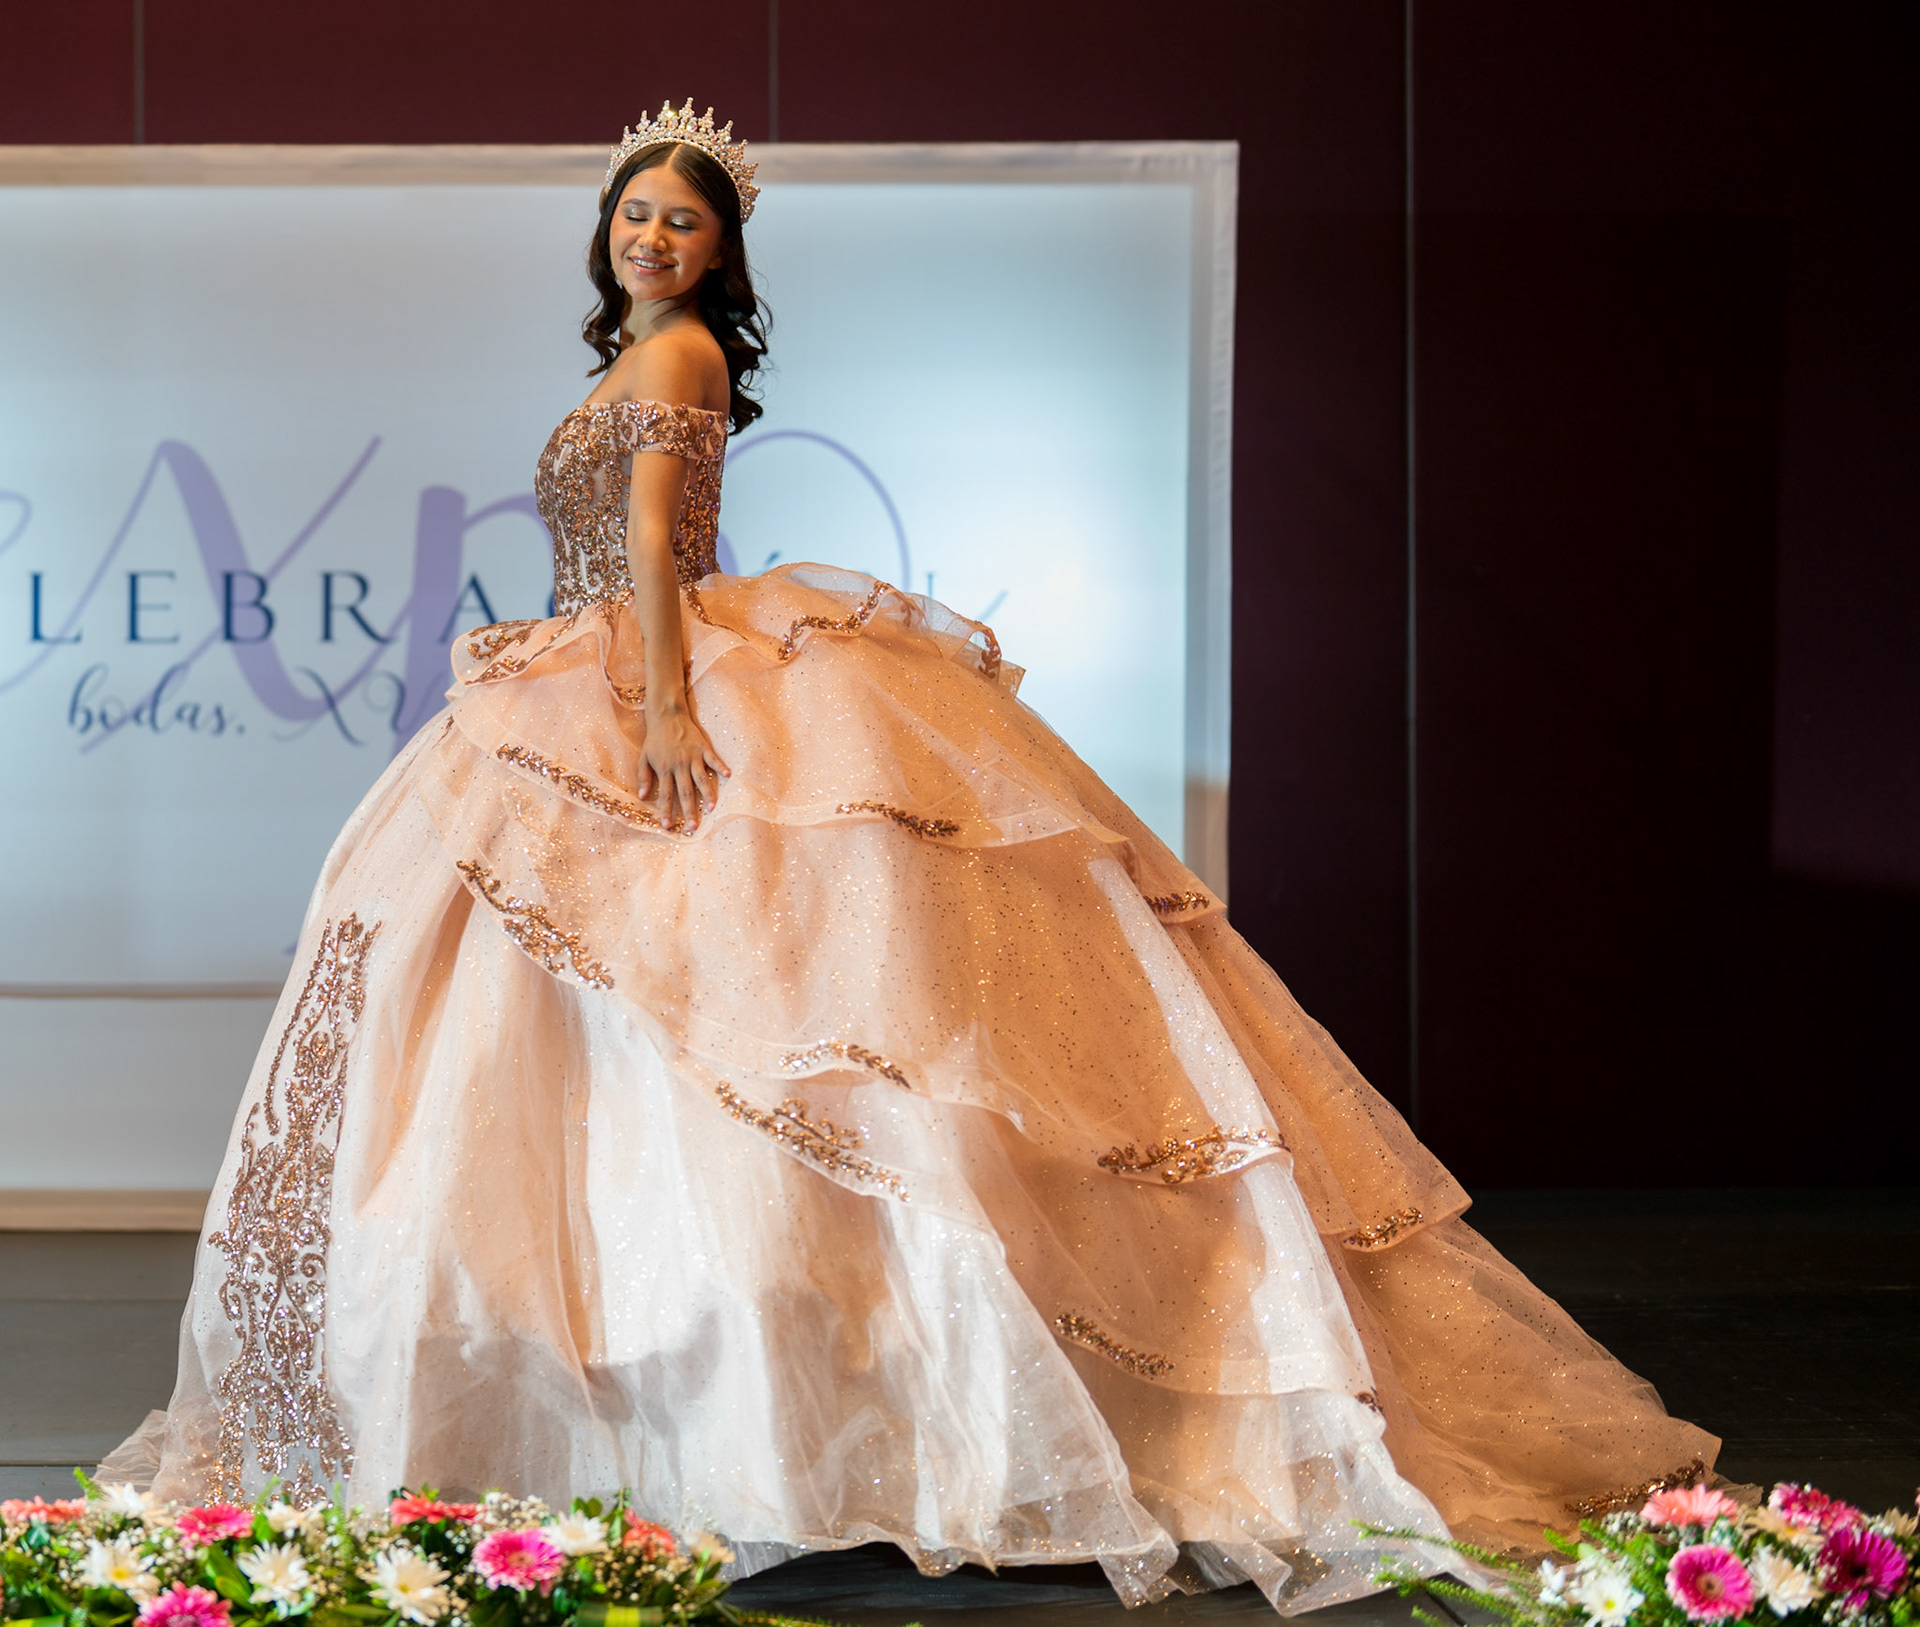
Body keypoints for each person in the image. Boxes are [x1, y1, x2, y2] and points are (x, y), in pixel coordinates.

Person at [111, 102, 1719, 1614]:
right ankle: (706, 1415)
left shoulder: (674, 352)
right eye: (635, 212)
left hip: (646, 673)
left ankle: (771, 1422)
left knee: (734, 1025)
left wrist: (662, 710)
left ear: (721, 255)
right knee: (637, 1027)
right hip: (592, 665)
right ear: (604, 225)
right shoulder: (638, 350)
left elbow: (659, 539)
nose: (652, 236)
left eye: (682, 221)